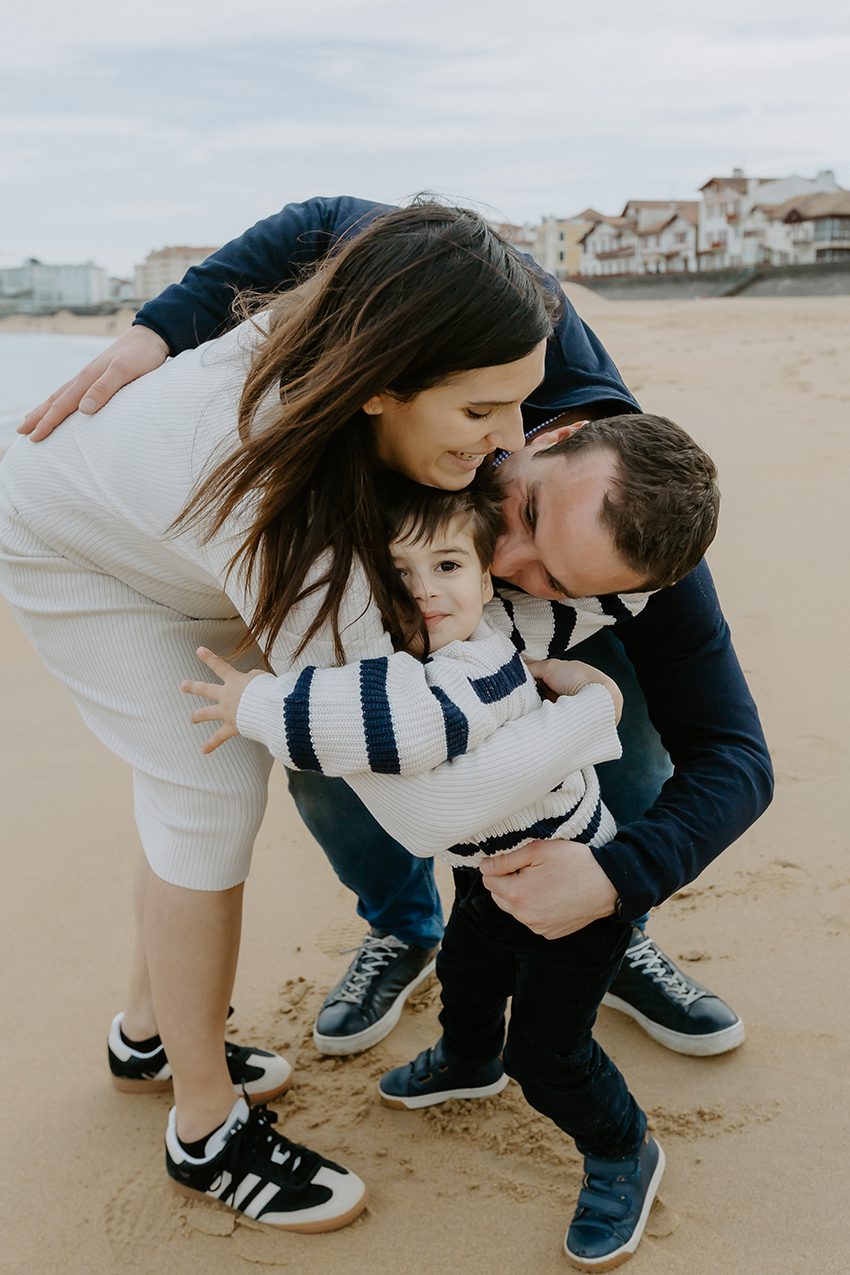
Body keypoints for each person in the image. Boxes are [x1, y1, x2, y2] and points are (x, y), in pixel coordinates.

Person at [20, 197, 771, 1062]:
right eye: (521, 506)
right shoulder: (511, 322)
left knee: (628, 751)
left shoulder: (646, 544)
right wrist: (158, 331)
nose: (508, 555)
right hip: (389, 562)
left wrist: (613, 877)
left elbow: (735, 755)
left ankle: (608, 930)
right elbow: (330, 221)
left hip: (554, 637)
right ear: (552, 427)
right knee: (334, 731)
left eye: (548, 569)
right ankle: (401, 928)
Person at [0, 201, 594, 1231]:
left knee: (190, 778)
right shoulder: (269, 492)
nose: (510, 443)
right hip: (76, 547)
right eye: (481, 412)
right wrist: (583, 725)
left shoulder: (343, 351)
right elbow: (409, 797)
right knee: (208, 788)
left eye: (522, 405)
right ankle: (203, 1127)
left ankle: (149, 1033)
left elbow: (330, 223)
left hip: (168, 533)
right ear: (379, 387)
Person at [181, 410, 718, 1268]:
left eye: (447, 566)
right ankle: (467, 1056)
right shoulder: (444, 610)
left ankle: (623, 1146)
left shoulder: (484, 660)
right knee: (468, 977)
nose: (428, 589)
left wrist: (255, 706)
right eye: (401, 571)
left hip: (576, 886)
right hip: (490, 873)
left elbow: (394, 727)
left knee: (548, 1053)